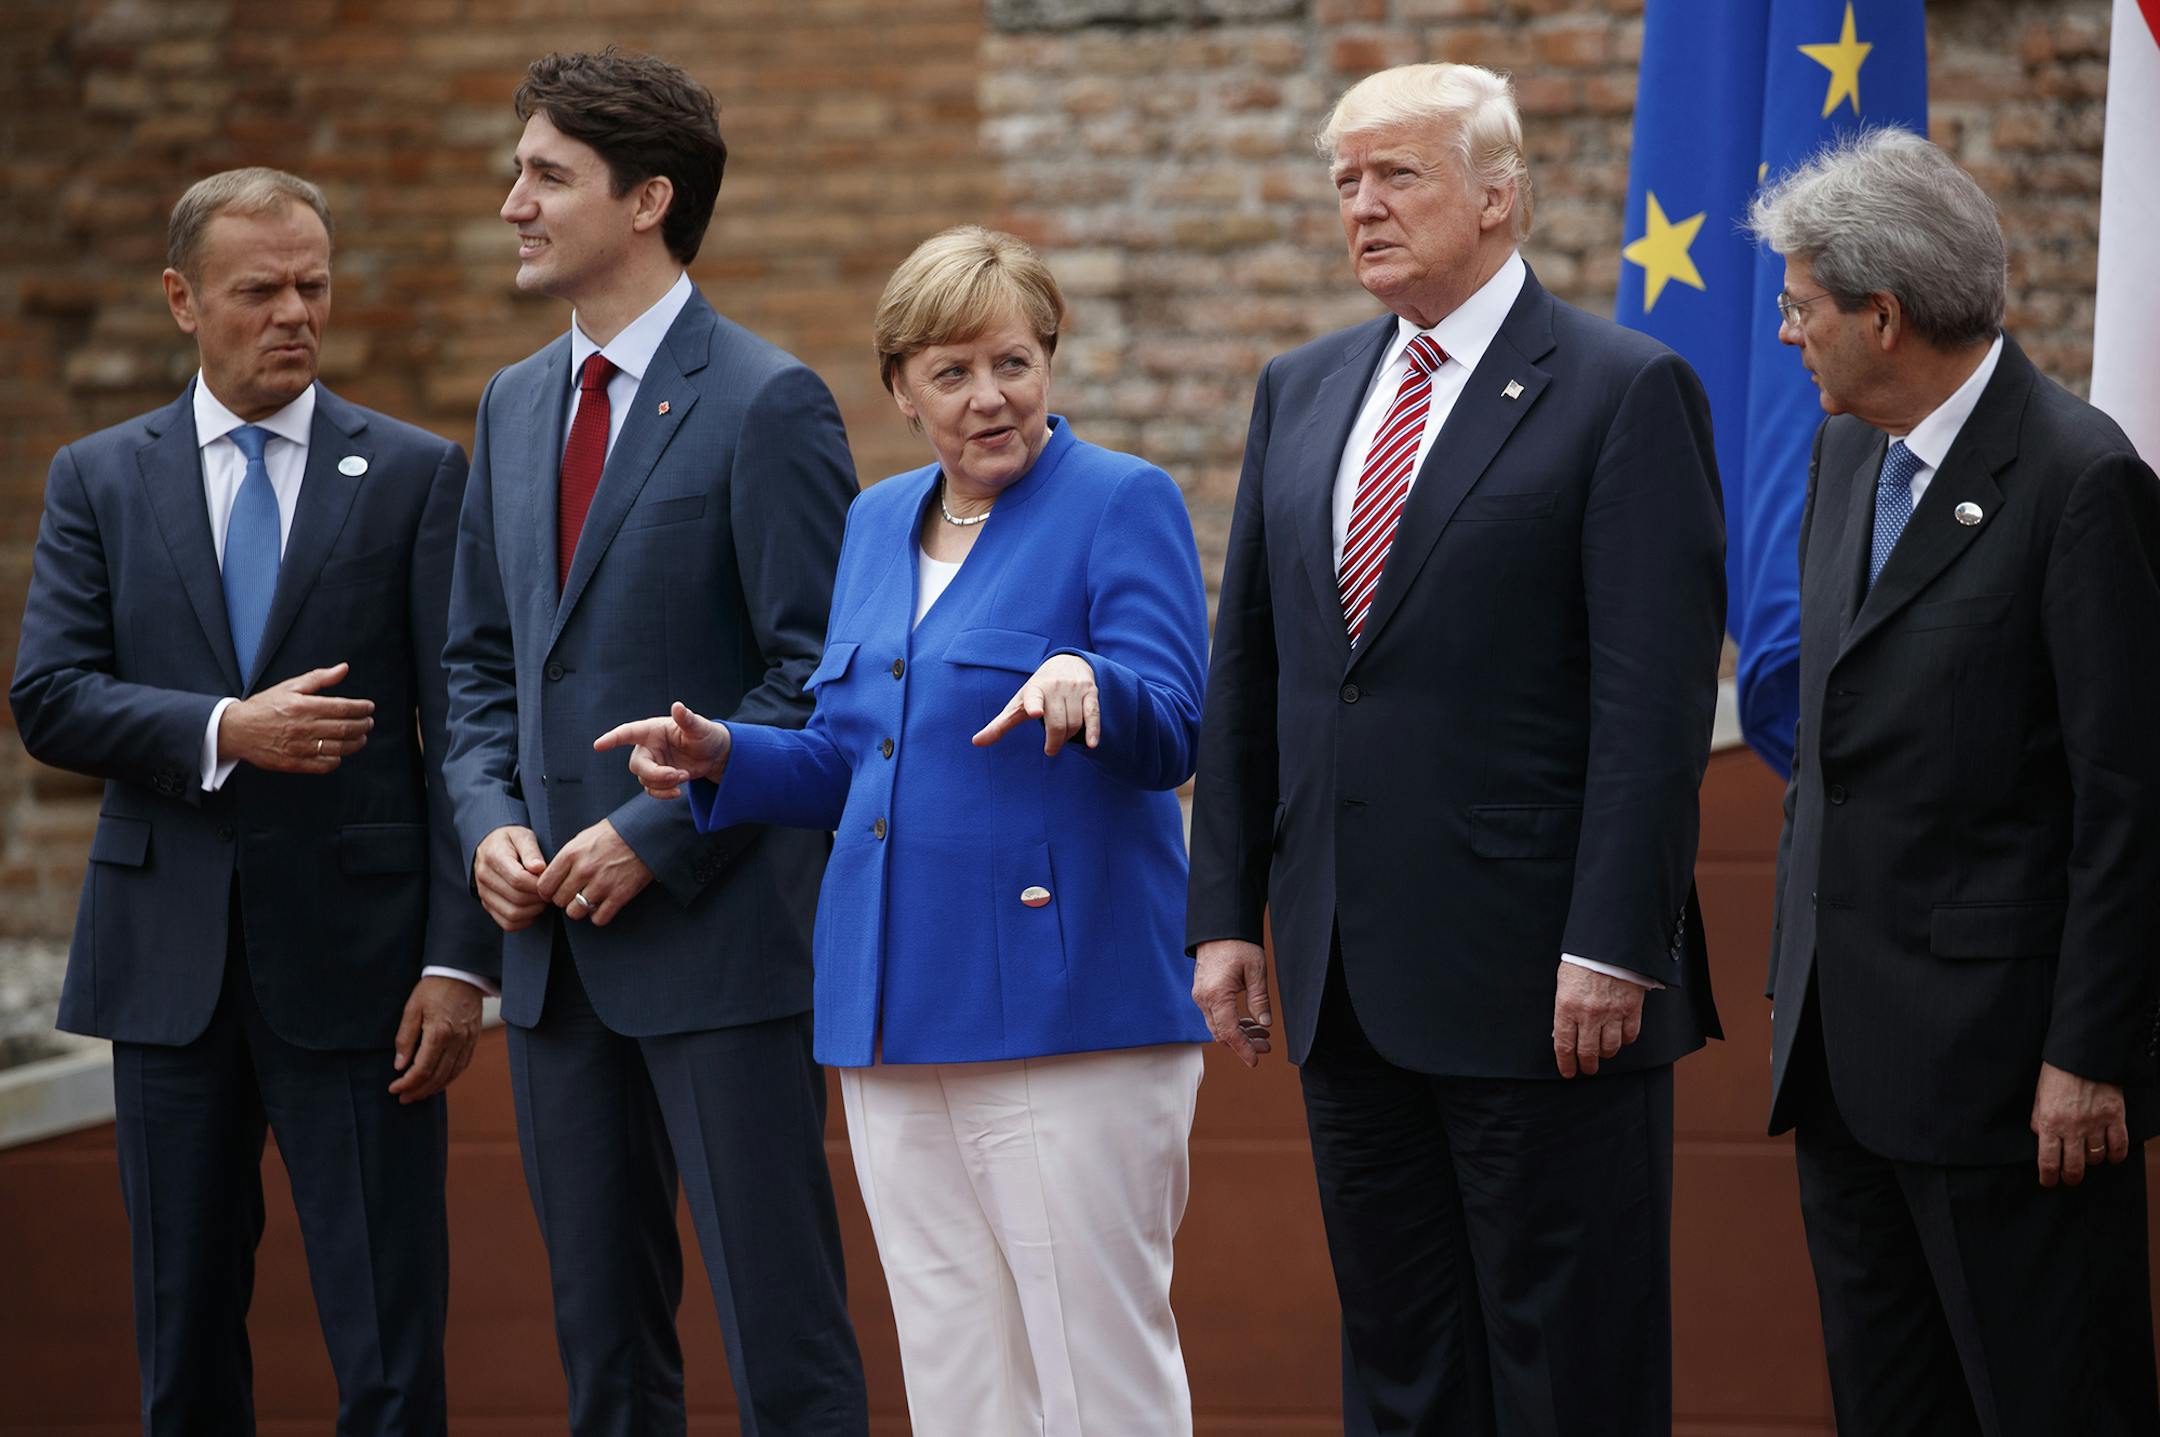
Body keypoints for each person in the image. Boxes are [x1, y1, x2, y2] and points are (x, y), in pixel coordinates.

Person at [597, 225, 1213, 1437]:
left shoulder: (1118, 499)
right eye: (952, 372)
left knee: (1094, 1373)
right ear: (898, 389)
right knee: (954, 1375)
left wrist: (1094, 684)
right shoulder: (878, 522)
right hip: (887, 1002)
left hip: (1065, 1002)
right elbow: (854, 756)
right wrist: (727, 755)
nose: (991, 397)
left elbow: (1178, 721)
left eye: (1014, 362)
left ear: (1049, 362)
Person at [1184, 63, 1726, 1435]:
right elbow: (1253, 667)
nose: (1361, 208)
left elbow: (1652, 701)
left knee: (1566, 1367)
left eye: (1397, 176)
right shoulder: (1300, 389)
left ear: (1500, 195)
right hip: (1344, 975)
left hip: (1546, 983)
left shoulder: (1623, 389)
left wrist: (1616, 941)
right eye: (1345, 181)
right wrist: (1226, 915)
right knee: (1404, 1362)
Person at [9, 167, 494, 1435]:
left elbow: (466, 733)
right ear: (181, 300)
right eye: (259, 290)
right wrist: (228, 730)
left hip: (367, 977)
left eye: (313, 287)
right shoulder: (101, 478)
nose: (295, 313)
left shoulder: (412, 473)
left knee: (391, 1352)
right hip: (165, 978)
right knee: (183, 1348)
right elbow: (49, 695)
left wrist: (460, 961)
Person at [438, 50, 867, 1436]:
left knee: (784, 1346)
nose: (513, 202)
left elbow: (821, 684)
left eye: (546, 175)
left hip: (728, 957)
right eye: (520, 171)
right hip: (553, 969)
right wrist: (487, 819)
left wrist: (656, 831)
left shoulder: (770, 401)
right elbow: (479, 672)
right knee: (605, 1367)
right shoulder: (510, 406)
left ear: (648, 201)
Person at [1750, 127, 2160, 1435]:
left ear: (1884, 312)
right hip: (1844, 1065)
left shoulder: (2079, 479)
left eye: (1804, 305)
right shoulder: (1841, 454)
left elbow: (2131, 799)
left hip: (2011, 1085)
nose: (1785, 332)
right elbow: (1834, 735)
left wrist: (2090, 1055)